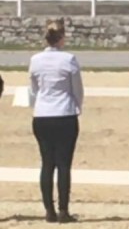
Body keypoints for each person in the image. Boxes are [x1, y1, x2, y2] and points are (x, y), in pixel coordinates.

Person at [28, 18, 84, 224]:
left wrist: (37, 105)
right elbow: (76, 88)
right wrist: (77, 106)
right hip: (64, 113)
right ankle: (63, 209)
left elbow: (33, 89)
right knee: (63, 164)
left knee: (47, 163)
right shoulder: (69, 59)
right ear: (61, 38)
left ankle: (49, 209)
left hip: (42, 114)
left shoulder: (35, 60)